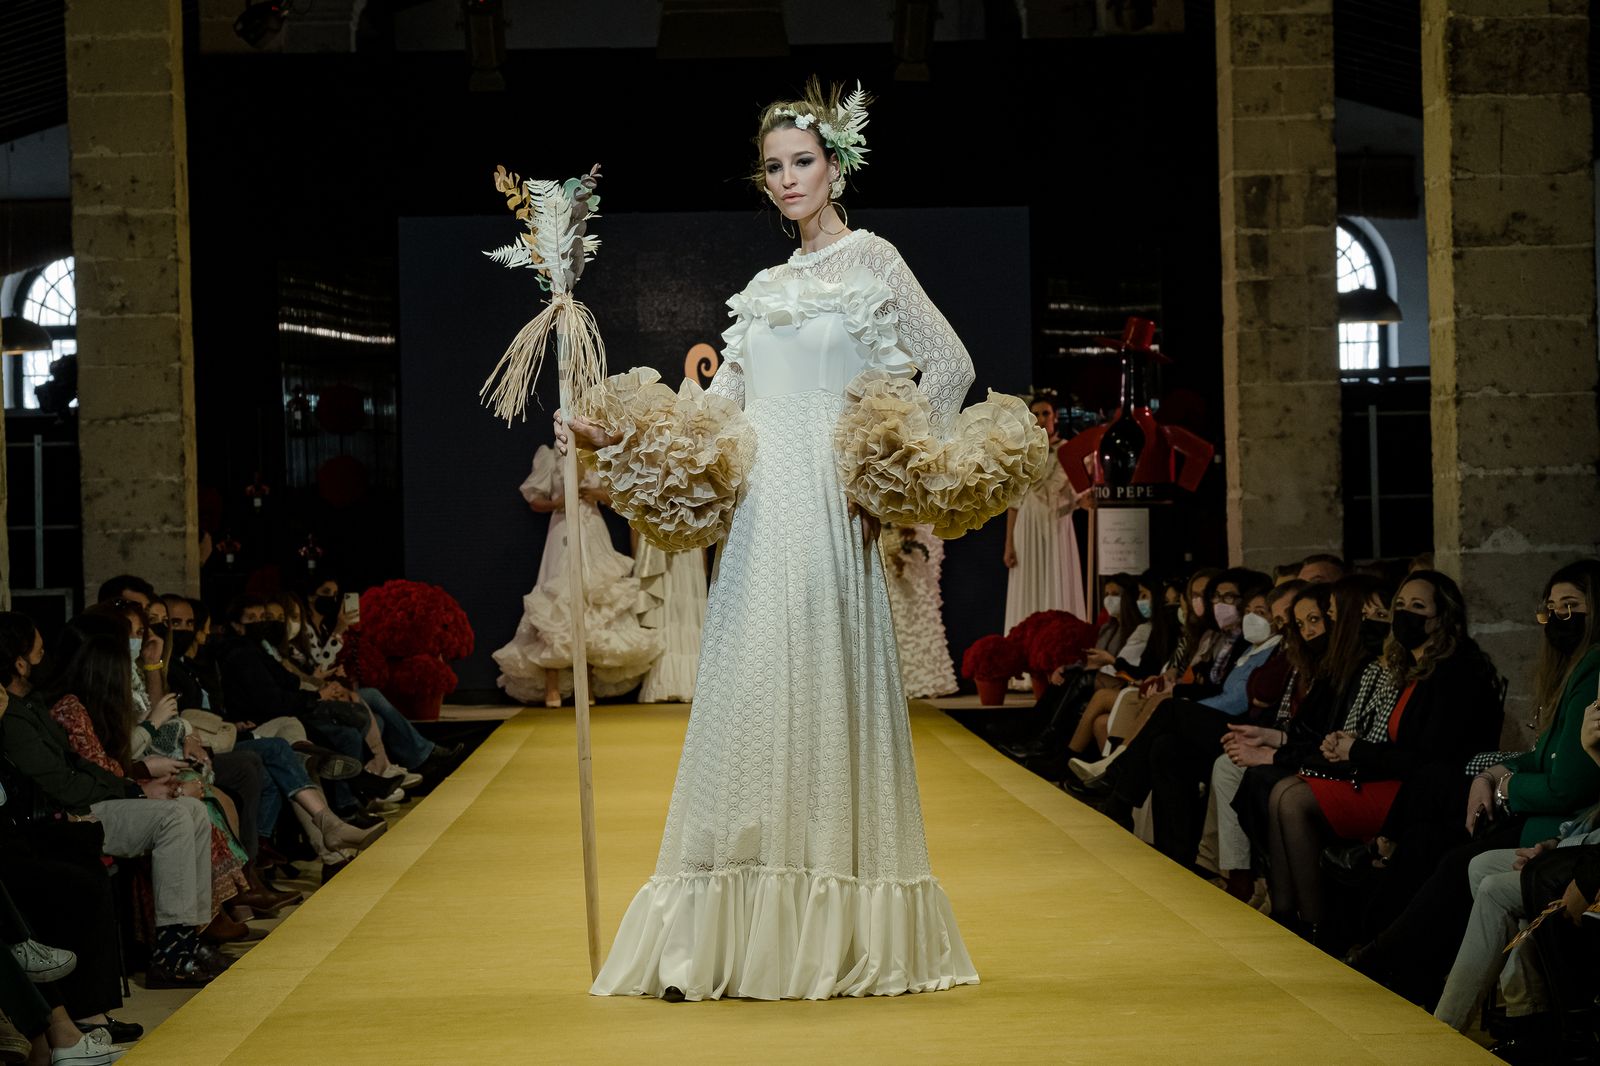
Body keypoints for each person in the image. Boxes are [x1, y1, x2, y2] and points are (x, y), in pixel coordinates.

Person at [556, 79, 1045, 1001]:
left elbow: (950, 365)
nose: (787, 179)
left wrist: (887, 465)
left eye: (803, 163)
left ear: (836, 166)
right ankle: (731, 932)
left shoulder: (874, 258)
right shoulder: (764, 287)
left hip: (829, 503)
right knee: (749, 687)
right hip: (763, 508)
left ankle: (831, 921)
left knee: (821, 683)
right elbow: (719, 408)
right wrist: (609, 432)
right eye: (775, 167)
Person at [492, 445, 663, 707]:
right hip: (563, 528)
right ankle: (552, 685)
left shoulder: (598, 456)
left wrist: (595, 493)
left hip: (592, 529)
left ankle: (587, 684)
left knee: (592, 600)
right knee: (558, 600)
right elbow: (533, 498)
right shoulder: (551, 455)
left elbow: (615, 497)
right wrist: (557, 503)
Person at [1003, 389, 1091, 631]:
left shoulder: (1070, 451)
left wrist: (1086, 502)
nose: (1042, 419)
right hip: (1027, 522)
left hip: (1058, 521)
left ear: (1055, 417)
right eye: (1036, 414)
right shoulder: (1020, 454)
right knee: (1028, 582)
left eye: (1046, 413)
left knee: (1057, 578)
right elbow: (1013, 503)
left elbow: (1079, 495)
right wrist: (1009, 543)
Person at [880, 524, 958, 700]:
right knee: (898, 603)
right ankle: (897, 679)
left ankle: (929, 676)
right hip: (892, 526)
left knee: (923, 599)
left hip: (921, 529)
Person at [631, 536, 708, 704]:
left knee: (688, 608)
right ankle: (667, 679)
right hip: (658, 541)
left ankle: (693, 680)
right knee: (667, 605)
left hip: (688, 538)